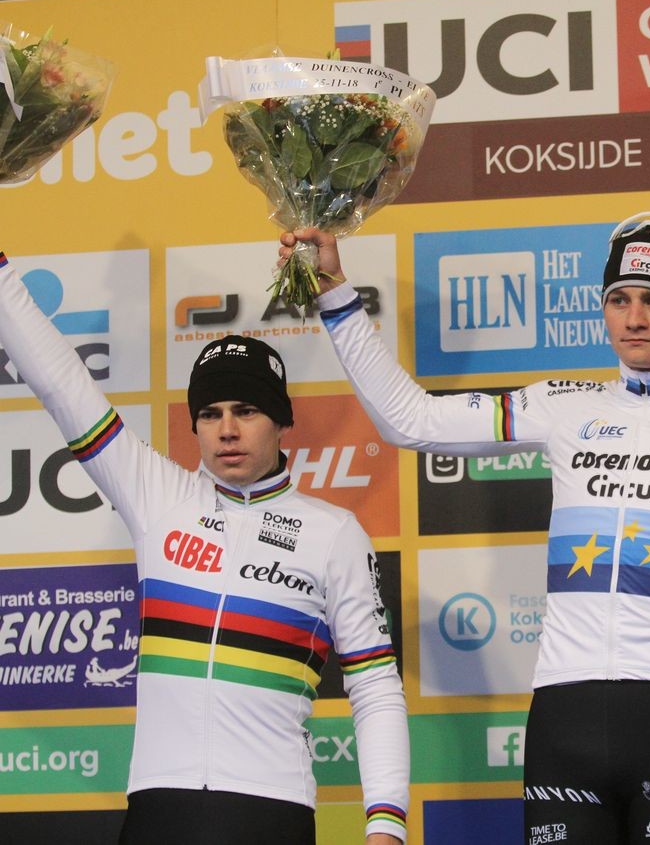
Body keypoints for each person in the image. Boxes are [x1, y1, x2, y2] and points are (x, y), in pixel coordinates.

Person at [281, 214, 650, 843]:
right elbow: (413, 421)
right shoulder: (565, 404)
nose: (634, 318)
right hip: (563, 720)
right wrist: (334, 293)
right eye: (618, 300)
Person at [0, 250, 410, 845]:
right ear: (193, 425)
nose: (227, 429)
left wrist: (386, 824)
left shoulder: (333, 533)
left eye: (246, 411)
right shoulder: (158, 496)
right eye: (211, 413)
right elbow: (61, 382)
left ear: (280, 421)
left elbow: (374, 686)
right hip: (158, 809)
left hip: (272, 810)